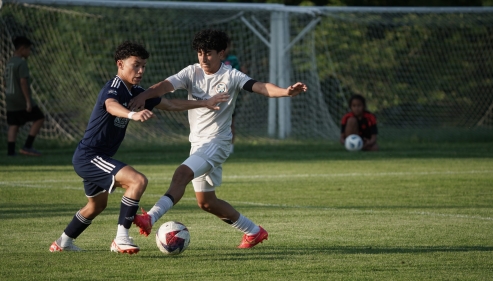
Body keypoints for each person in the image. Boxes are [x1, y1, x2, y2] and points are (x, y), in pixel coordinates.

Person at [130, 29, 307, 249]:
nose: (203, 58)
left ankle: (150, 218)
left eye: (209, 53)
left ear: (221, 53)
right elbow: (164, 86)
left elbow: (260, 86)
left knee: (181, 173)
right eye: (200, 53)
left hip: (217, 143)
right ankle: (254, 231)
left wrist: (286, 92)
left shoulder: (231, 75)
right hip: (198, 144)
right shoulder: (192, 72)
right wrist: (144, 95)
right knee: (206, 202)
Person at [49, 41, 228, 254]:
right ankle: (121, 239)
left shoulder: (137, 92)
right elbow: (110, 106)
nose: (141, 71)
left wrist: (205, 102)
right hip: (90, 156)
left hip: (97, 156)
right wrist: (132, 114)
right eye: (136, 65)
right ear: (120, 64)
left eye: (143, 66)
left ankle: (62, 243)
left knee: (96, 206)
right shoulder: (114, 87)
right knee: (138, 180)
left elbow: (170, 105)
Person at [3, 36, 45, 156]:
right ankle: (27, 146)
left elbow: (5, 82)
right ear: (22, 49)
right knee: (39, 117)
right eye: (28, 49)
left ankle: (11, 152)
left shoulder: (9, 62)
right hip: (20, 97)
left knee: (13, 124)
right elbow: (23, 82)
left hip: (10, 97)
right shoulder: (21, 63)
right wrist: (27, 101)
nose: (29, 52)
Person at [221, 37, 246, 154]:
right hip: (215, 97)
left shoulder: (232, 59)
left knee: (230, 122)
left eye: (226, 47)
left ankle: (230, 148)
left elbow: (236, 75)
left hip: (230, 97)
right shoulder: (213, 60)